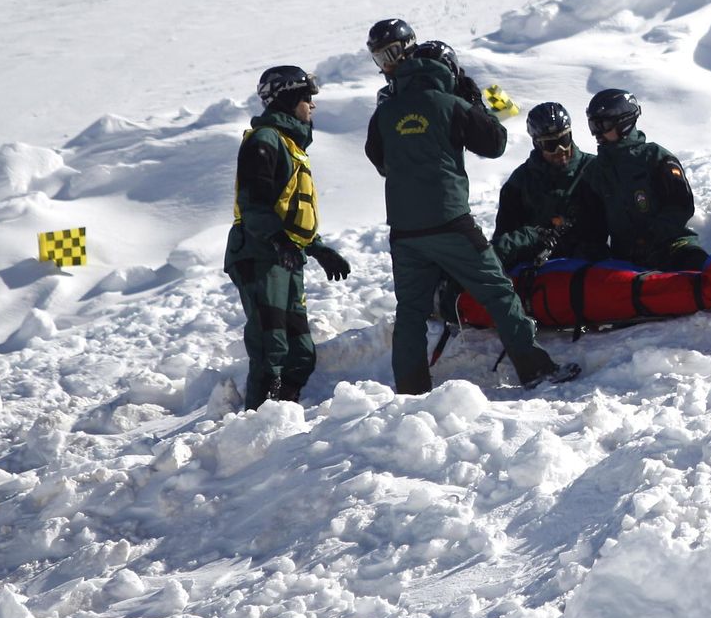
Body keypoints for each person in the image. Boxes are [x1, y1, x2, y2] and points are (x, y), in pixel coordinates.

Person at [365, 38, 577, 392]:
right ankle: (534, 369)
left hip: (403, 229)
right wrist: (475, 102)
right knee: (498, 291)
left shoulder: (385, 111)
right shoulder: (451, 104)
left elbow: (379, 159)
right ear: (448, 70)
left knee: (411, 312)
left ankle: (411, 390)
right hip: (450, 221)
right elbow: (495, 144)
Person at [225, 66, 353, 410]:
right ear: (287, 99)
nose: (312, 105)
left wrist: (318, 249)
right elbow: (255, 204)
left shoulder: (290, 145)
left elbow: (291, 210)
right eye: (306, 98)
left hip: (285, 256)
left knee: (300, 352)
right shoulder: (265, 140)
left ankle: (284, 412)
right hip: (260, 255)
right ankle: (257, 422)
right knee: (273, 347)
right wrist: (279, 241)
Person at [580, 89, 709, 271]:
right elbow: (593, 223)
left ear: (624, 122)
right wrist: (596, 252)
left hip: (671, 246)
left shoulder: (656, 157)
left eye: (603, 125)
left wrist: (651, 237)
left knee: (698, 267)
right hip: (625, 258)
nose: (597, 134)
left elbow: (681, 206)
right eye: (593, 126)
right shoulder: (595, 172)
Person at [492, 102, 606, 270]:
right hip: (541, 272)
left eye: (564, 139)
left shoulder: (594, 170)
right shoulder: (520, 182)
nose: (561, 150)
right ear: (537, 145)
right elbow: (502, 245)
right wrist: (533, 237)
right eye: (551, 145)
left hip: (592, 269)